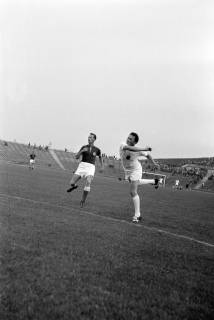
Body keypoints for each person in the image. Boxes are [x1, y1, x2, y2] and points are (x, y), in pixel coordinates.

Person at [120, 132, 160, 223]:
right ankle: (154, 181)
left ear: (134, 142)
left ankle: (137, 215)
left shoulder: (139, 150)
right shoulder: (123, 145)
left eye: (131, 139)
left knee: (133, 191)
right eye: (128, 138)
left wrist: (154, 163)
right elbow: (128, 148)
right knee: (135, 183)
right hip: (128, 171)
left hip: (136, 170)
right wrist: (144, 148)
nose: (128, 140)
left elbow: (148, 155)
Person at [67, 133, 104, 207]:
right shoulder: (84, 147)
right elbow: (76, 157)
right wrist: (82, 151)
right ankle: (74, 186)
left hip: (91, 167)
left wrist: (102, 166)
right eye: (88, 137)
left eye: (90, 137)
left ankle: (82, 201)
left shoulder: (97, 150)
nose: (89, 138)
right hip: (82, 166)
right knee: (71, 183)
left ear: (94, 139)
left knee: (88, 182)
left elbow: (100, 157)